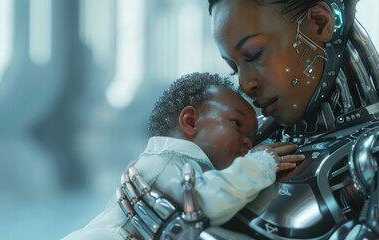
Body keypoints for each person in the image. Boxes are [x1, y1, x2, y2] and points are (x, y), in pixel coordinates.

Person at [114, 0, 379, 239]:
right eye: (234, 68)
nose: (244, 84)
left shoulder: (370, 157)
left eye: (253, 54)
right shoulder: (253, 137)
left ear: (320, 23)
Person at [62, 72, 304, 240]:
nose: (249, 142)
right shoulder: (170, 163)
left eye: (252, 137)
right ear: (190, 121)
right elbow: (207, 202)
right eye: (236, 124)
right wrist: (261, 163)